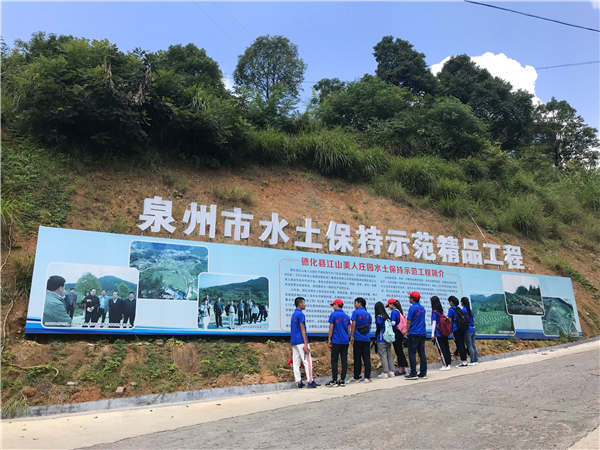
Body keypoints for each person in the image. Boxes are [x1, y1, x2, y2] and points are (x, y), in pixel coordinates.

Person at [290, 297, 320, 389]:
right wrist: (306, 343)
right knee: (307, 361)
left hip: (294, 341)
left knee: (296, 362)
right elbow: (302, 328)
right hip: (301, 341)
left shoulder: (293, 314)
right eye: (303, 303)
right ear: (300, 304)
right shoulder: (300, 314)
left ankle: (298, 382)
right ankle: (310, 381)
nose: (305, 305)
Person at [326, 299, 351, 387]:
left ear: (337, 305)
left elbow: (331, 327)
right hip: (345, 341)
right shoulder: (347, 316)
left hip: (336, 340)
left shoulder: (333, 315)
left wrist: (329, 339)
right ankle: (342, 379)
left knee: (334, 360)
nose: (333, 306)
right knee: (344, 360)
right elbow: (348, 329)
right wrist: (348, 338)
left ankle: (334, 380)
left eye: (333, 305)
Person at [348, 297, 372, 383]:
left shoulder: (356, 312)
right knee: (366, 358)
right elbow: (369, 327)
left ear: (359, 303)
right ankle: (367, 377)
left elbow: (353, 325)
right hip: (366, 339)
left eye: (355, 303)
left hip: (358, 338)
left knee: (357, 358)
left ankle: (357, 377)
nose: (354, 305)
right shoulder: (368, 314)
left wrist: (352, 336)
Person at [405, 291, 427, 380]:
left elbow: (409, 321)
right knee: (422, 353)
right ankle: (423, 373)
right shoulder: (422, 308)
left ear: (412, 299)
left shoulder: (412, 308)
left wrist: (407, 332)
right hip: (422, 333)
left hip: (414, 333)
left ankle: (413, 373)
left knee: (412, 353)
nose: (409, 299)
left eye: (410, 297)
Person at [386, 298, 408, 376]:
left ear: (392, 304)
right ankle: (403, 368)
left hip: (396, 332)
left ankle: (400, 369)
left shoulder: (394, 312)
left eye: (389, 305)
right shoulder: (399, 311)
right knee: (400, 350)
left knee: (398, 351)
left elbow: (393, 323)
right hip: (400, 333)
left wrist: (387, 322)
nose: (389, 307)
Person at [374, 301, 395, 379]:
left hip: (381, 338)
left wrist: (375, 335)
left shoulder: (379, 317)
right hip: (388, 339)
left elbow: (378, 328)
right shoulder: (387, 317)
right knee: (389, 355)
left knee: (383, 356)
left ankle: (385, 372)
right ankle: (392, 372)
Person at [431, 296, 452, 371]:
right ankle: (448, 364)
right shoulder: (441, 311)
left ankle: (445, 364)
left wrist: (432, 334)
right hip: (444, 333)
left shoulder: (434, 312)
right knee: (446, 348)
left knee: (441, 350)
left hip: (438, 333)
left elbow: (434, 323)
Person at [448, 296, 468, 367]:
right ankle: (465, 360)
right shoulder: (458, 309)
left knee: (459, 345)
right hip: (461, 329)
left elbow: (449, 320)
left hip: (455, 329)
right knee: (462, 344)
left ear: (451, 302)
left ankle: (463, 361)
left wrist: (449, 329)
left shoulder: (451, 309)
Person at [462, 297, 479, 366]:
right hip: (473, 329)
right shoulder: (470, 310)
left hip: (467, 330)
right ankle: (476, 360)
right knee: (473, 345)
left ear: (462, 303)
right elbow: (473, 320)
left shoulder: (463, 310)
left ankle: (472, 361)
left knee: (469, 346)